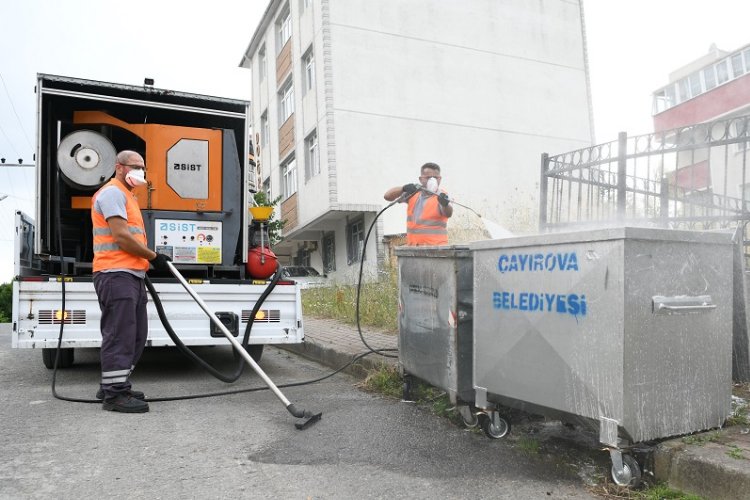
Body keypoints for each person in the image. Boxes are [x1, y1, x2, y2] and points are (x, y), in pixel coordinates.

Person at [91, 150, 172, 413]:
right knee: (120, 335)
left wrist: (146, 263)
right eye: (135, 166)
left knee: (136, 335)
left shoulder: (128, 196)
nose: (140, 171)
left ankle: (114, 384)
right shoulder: (112, 192)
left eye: (143, 167)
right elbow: (122, 237)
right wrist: (154, 257)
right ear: (119, 167)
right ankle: (115, 396)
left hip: (132, 274)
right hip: (115, 274)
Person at [384, 162, 453, 245]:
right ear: (421, 179)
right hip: (414, 249)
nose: (432, 180)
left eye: (435, 177)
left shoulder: (443, 196)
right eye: (428, 177)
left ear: (440, 179)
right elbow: (387, 196)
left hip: (436, 249)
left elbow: (448, 213)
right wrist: (403, 188)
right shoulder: (413, 193)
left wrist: (444, 203)